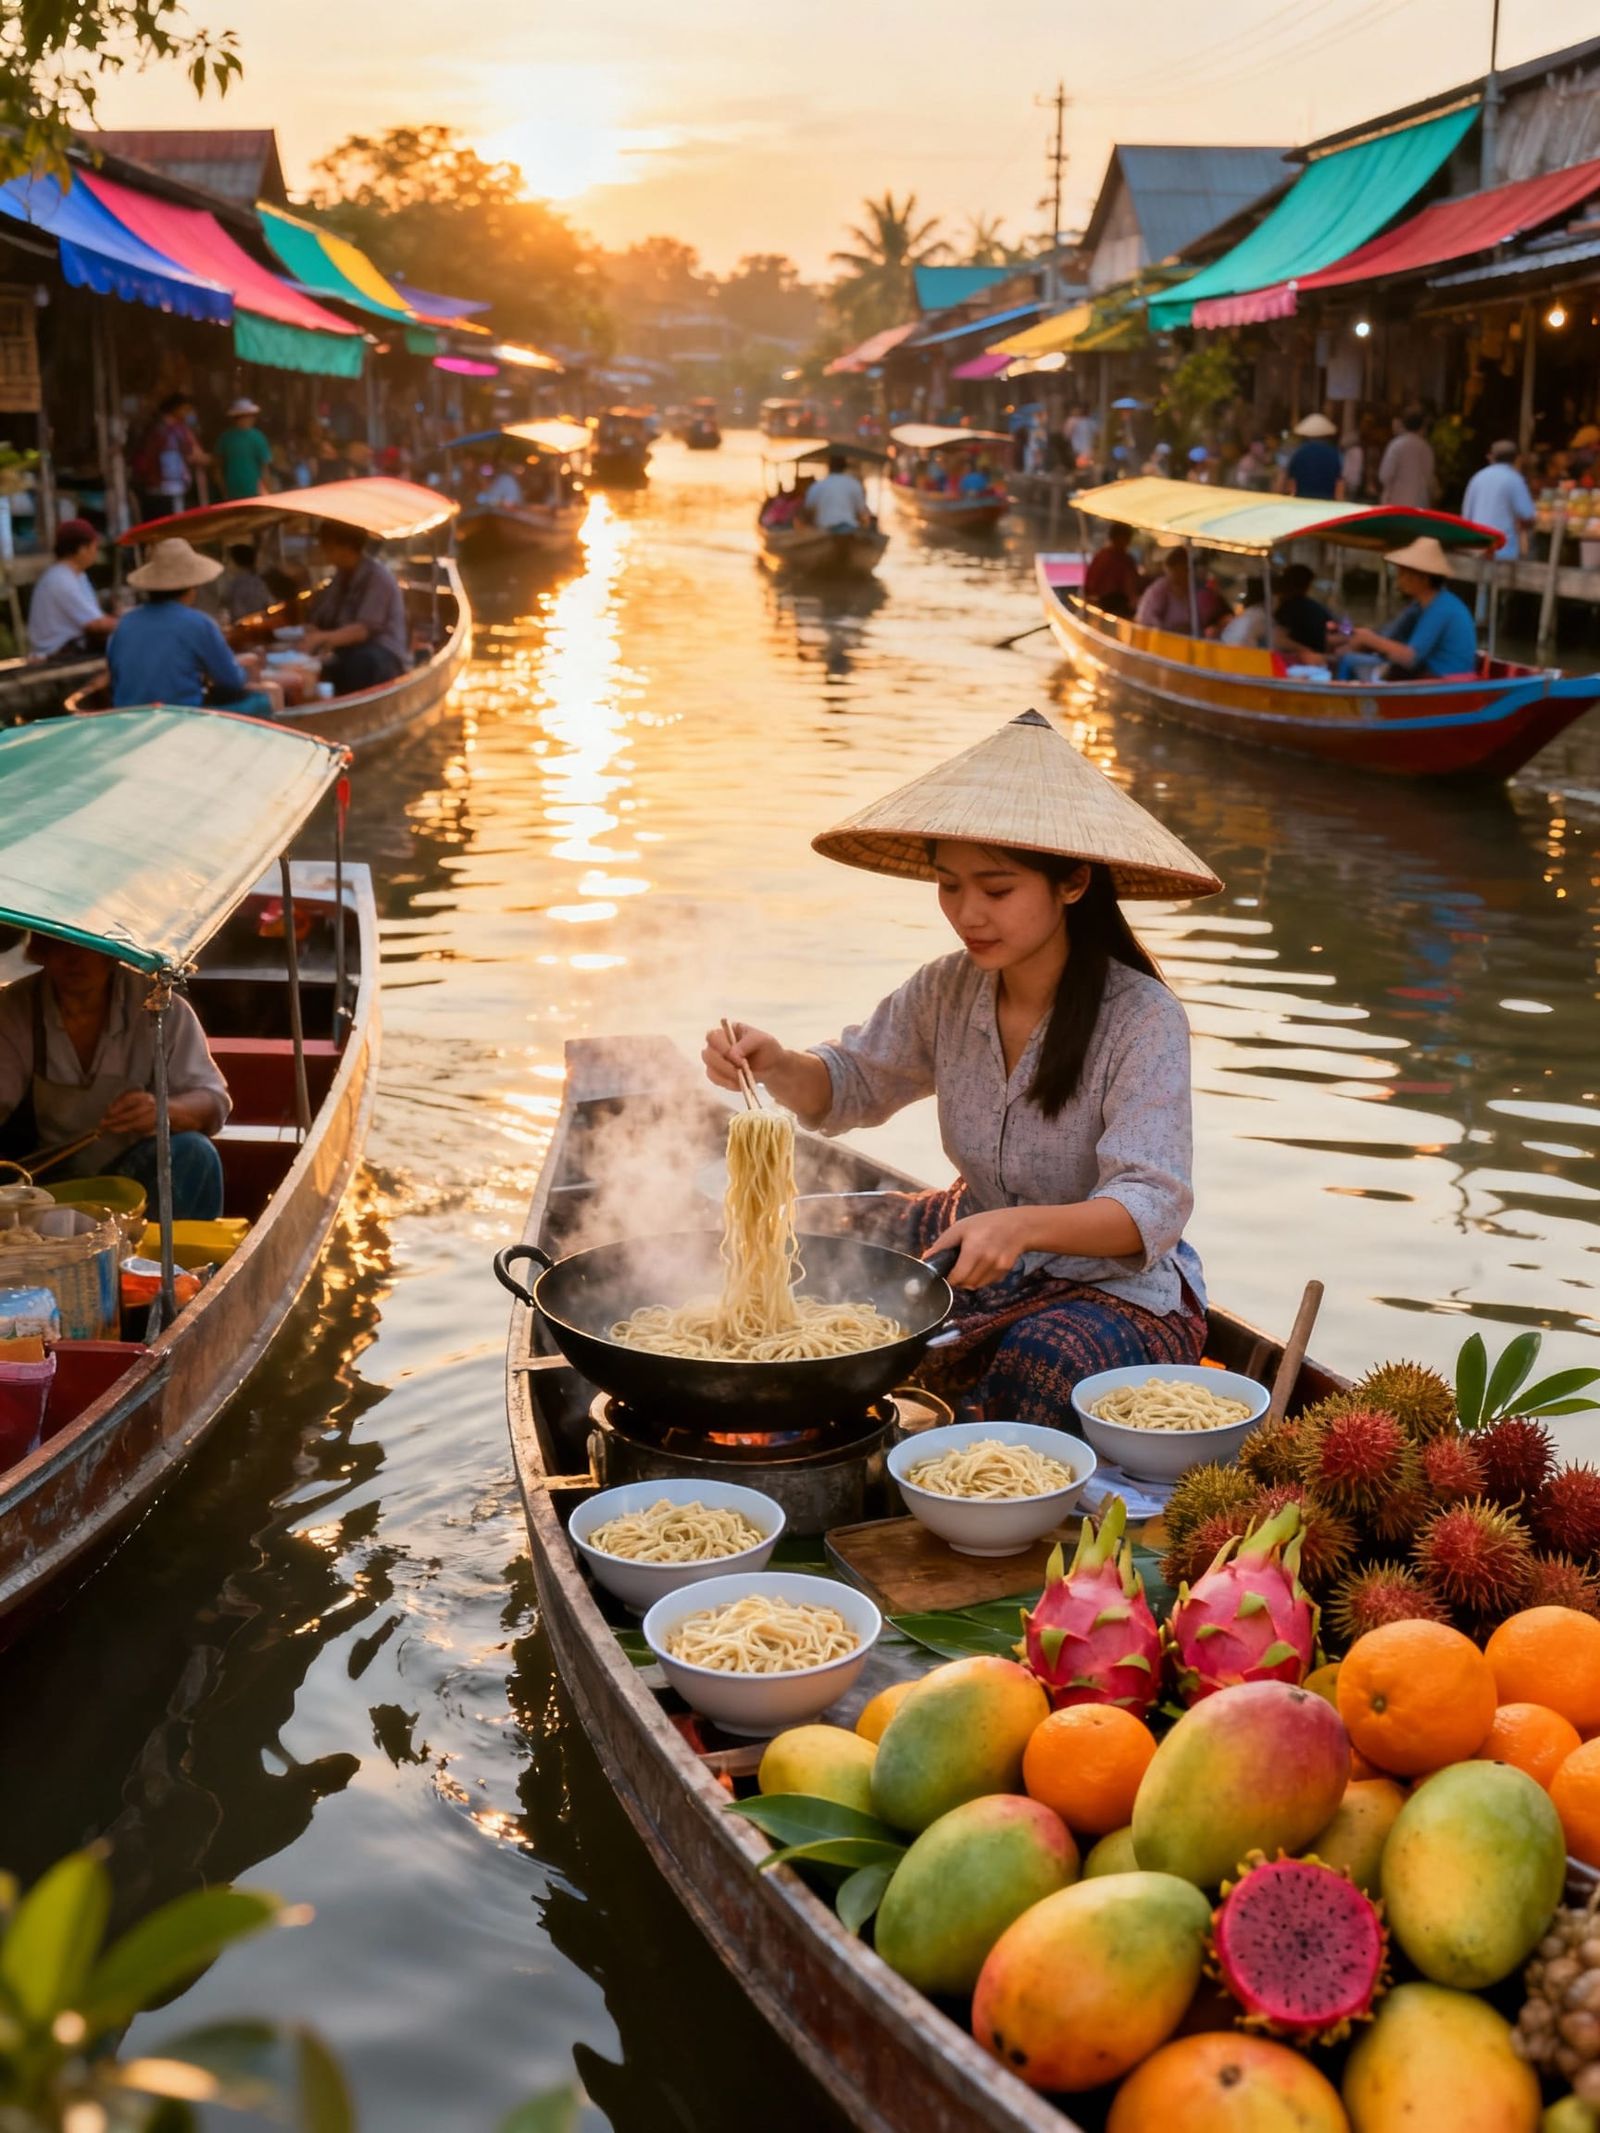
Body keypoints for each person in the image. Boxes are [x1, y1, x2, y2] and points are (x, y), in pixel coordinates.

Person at [704, 710, 1221, 1421]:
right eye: (949, 885)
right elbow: (852, 1083)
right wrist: (776, 1064)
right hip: (968, 1233)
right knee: (803, 1243)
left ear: (1072, 882)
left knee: (1039, 1363)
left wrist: (1020, 1227)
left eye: (997, 888)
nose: (967, 913)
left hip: (1109, 1287)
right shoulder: (948, 988)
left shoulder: (1141, 1017)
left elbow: (1147, 1209)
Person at [0, 936, 231, 1220]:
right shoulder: (15, 1007)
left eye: (87, 946)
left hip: (137, 1180)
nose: (74, 959)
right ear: (42, 951)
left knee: (196, 1153)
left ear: (111, 952)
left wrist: (162, 1110)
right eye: (60, 945)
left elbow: (214, 1101)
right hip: (52, 1184)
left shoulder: (160, 1006)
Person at [107, 538, 279, 715]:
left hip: (127, 715)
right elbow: (232, 680)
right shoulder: (198, 623)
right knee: (264, 698)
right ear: (191, 588)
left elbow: (117, 677)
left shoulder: (125, 623)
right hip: (181, 716)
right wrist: (244, 669)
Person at [1341, 537, 1477, 681]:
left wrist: (1370, 639)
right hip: (1429, 671)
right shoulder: (1421, 605)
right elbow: (1391, 636)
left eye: (1404, 573)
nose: (1399, 579)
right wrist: (1365, 638)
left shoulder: (1441, 608)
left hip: (1443, 677)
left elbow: (1409, 657)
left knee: (1349, 661)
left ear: (1423, 578)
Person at [300, 523, 410, 694]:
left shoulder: (377, 577)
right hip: (351, 648)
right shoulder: (341, 575)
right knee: (318, 664)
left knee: (361, 662)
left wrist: (320, 638)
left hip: (382, 654)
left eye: (327, 545)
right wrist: (315, 630)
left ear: (346, 547)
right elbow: (327, 615)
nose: (322, 549)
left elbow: (362, 631)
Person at [26, 520, 115, 660]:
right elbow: (96, 624)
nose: (96, 552)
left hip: (70, 648)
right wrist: (131, 622)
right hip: (59, 653)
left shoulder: (76, 575)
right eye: (94, 547)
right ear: (82, 549)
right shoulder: (61, 579)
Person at [131, 392, 208, 521]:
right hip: (170, 487)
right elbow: (193, 455)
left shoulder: (153, 427)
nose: (188, 413)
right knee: (173, 527)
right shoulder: (176, 430)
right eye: (186, 409)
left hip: (151, 487)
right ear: (175, 409)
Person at [1461, 439, 1537, 560]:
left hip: (1476, 548)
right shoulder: (1515, 479)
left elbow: (1466, 517)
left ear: (1492, 457)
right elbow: (1528, 515)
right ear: (1516, 458)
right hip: (1503, 551)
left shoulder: (1477, 478)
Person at [1136, 547, 1227, 635]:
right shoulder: (1161, 589)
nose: (1187, 572)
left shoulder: (1192, 587)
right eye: (1184, 569)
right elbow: (1147, 620)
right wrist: (1168, 630)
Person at [1273, 563, 1337, 663]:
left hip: (1310, 659)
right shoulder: (1290, 608)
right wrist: (1305, 651)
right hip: (1299, 661)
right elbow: (1279, 640)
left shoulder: (1299, 607)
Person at [212, 398, 273, 502]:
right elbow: (218, 468)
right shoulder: (226, 438)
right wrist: (223, 490)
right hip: (235, 490)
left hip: (252, 490)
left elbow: (264, 468)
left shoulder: (257, 437)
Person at [1378, 409, 1435, 510]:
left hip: (1395, 503)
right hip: (1419, 505)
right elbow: (1428, 478)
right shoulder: (1425, 448)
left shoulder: (1396, 445)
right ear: (1422, 426)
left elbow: (1384, 475)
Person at [1083, 523, 1143, 618]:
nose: (1127, 541)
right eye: (1124, 537)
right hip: (1105, 606)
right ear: (1114, 537)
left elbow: (1133, 585)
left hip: (1123, 606)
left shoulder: (1127, 559)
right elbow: (1091, 587)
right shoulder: (1103, 557)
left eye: (1128, 538)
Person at [803, 450, 869, 532]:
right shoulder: (854, 484)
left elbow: (808, 510)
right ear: (844, 467)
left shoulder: (817, 486)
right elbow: (861, 511)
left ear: (829, 467)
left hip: (823, 529)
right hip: (848, 529)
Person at [1284, 413, 1343, 501]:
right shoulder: (1334, 453)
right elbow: (1339, 483)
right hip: (1327, 502)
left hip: (1303, 501)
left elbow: (1292, 483)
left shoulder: (1299, 452)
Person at [220, 543, 272, 624]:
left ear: (236, 562)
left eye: (228, 560)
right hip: (261, 624)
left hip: (246, 627)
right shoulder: (259, 581)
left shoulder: (237, 585)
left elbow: (238, 613)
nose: (226, 564)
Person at [1219, 577, 1268, 648]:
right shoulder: (1260, 614)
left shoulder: (1250, 612)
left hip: (1228, 650)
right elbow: (1277, 640)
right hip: (1244, 653)